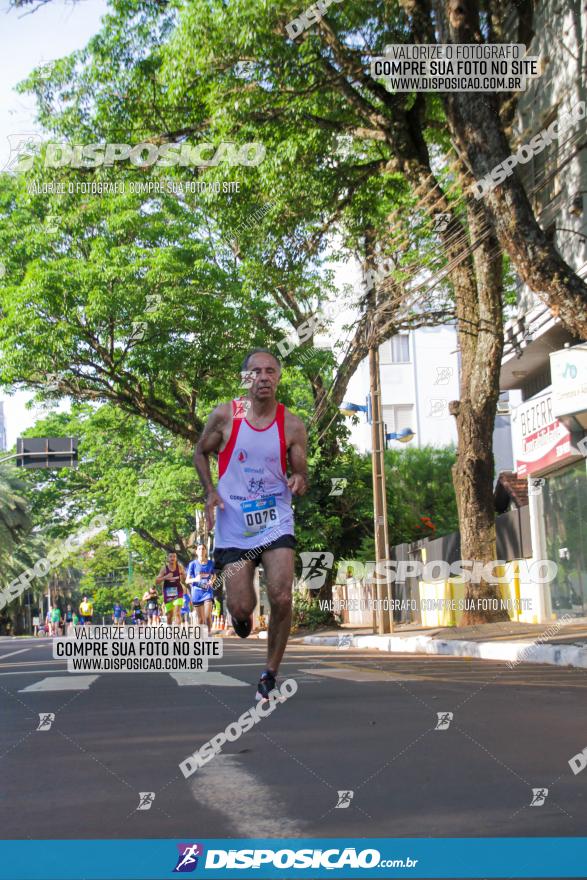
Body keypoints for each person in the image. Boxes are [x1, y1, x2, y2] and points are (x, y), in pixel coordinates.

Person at [194, 348, 308, 702]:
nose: (263, 376)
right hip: (234, 521)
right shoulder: (227, 415)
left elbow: (301, 470)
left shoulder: (292, 424)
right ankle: (242, 618)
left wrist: (300, 479)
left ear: (278, 378)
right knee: (242, 610)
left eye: (270, 371)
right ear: (246, 379)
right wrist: (210, 490)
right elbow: (200, 452)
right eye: (256, 371)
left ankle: (269, 674)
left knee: (282, 595)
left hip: (275, 518)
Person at [186, 544, 216, 633]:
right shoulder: (192, 564)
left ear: (206, 551)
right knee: (200, 620)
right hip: (196, 593)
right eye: (199, 549)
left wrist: (212, 581)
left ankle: (209, 636)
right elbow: (187, 580)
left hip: (207, 592)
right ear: (196, 552)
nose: (201, 550)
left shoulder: (211, 563)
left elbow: (214, 575)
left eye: (203, 549)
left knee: (207, 616)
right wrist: (195, 579)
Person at [156, 551, 187, 625]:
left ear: (176, 558)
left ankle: (177, 633)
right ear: (167, 558)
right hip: (168, 593)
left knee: (177, 613)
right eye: (171, 556)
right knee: (169, 615)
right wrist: (165, 577)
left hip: (178, 592)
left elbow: (184, 580)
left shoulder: (179, 567)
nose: (172, 558)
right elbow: (157, 581)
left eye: (174, 556)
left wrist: (183, 576)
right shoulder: (164, 569)